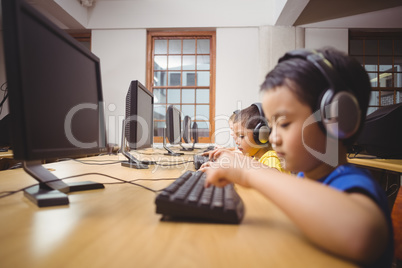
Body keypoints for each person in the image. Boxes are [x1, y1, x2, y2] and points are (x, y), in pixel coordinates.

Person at [201, 47, 393, 267]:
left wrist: (249, 171)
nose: (273, 138)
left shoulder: (352, 183)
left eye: (283, 124)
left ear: (337, 119)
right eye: (271, 127)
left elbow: (361, 234)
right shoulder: (304, 177)